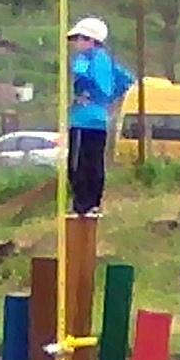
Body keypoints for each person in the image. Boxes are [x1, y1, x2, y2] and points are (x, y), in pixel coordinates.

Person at [63, 16, 136, 219]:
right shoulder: (108, 61)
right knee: (95, 162)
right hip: (100, 119)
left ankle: (81, 205)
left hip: (82, 119)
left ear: (90, 40)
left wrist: (83, 92)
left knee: (77, 163)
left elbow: (80, 75)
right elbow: (127, 80)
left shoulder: (85, 58)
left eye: (79, 38)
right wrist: (107, 98)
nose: (76, 44)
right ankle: (93, 204)